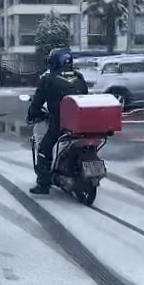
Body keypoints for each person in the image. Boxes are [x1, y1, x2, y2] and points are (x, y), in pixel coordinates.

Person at [26, 48, 88, 195]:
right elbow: (85, 97)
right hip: (81, 124)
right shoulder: (79, 77)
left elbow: (37, 102)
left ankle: (43, 184)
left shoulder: (48, 79)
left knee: (44, 149)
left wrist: (32, 115)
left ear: (53, 62)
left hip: (60, 124)